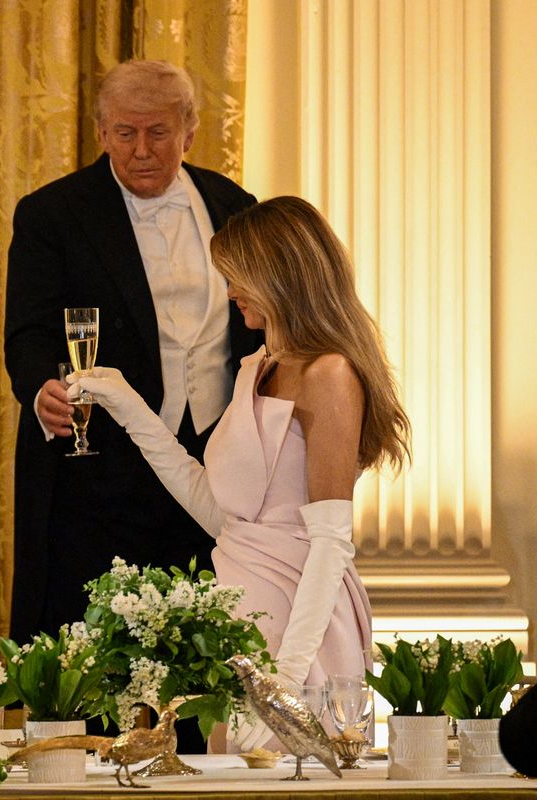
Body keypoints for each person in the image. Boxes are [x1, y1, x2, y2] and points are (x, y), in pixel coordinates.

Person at [74, 196, 411, 751]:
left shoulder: (330, 373)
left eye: (237, 278)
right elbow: (219, 513)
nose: (229, 292)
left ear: (280, 276)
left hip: (301, 628)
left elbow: (331, 543)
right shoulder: (256, 368)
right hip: (241, 621)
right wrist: (126, 404)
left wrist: (284, 677)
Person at [4, 59, 262, 649]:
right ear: (102, 133)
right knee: (97, 649)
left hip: (211, 459)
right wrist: (41, 385)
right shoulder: (53, 214)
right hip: (101, 470)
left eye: (158, 132)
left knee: (199, 645)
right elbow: (27, 331)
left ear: (189, 132)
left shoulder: (235, 204)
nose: (141, 149)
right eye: (126, 133)